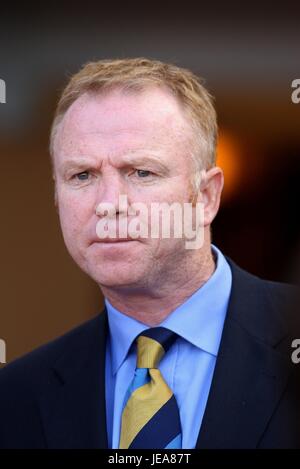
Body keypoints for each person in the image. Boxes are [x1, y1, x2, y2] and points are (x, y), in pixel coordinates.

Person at [0, 58, 299, 449]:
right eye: (82, 175)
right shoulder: (17, 396)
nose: (109, 204)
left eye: (141, 172)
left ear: (206, 196)